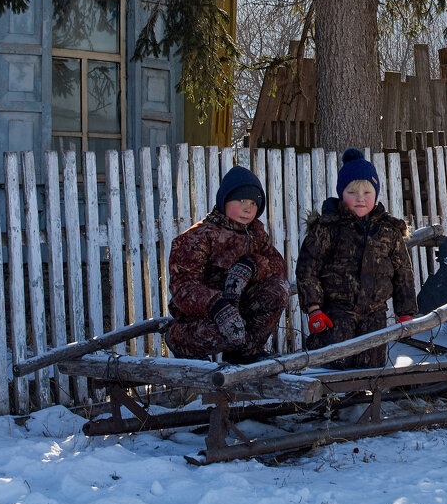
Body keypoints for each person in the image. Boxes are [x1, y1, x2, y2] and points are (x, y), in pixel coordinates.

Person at [294, 148, 417, 369]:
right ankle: (331, 402)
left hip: (375, 315)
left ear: (376, 194)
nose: (360, 198)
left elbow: (403, 274)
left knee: (371, 368)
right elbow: (307, 269)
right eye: (352, 192)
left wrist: (405, 313)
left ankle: (365, 403)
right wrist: (314, 308)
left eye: (367, 193)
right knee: (334, 364)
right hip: (336, 313)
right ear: (342, 193)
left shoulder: (388, 231)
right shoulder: (327, 228)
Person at [165, 165, 289, 364]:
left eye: (253, 202)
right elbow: (183, 288)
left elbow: (277, 266)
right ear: (224, 200)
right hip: (206, 315)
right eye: (241, 201)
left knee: (278, 291)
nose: (248, 208)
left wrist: (251, 266)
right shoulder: (198, 237)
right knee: (225, 332)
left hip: (241, 308)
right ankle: (180, 340)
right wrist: (217, 305)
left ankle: (246, 352)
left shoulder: (256, 232)